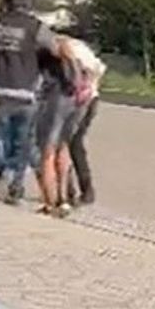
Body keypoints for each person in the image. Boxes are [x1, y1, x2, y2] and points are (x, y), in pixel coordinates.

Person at [0, 0, 68, 205]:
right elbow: (56, 49)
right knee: (21, 145)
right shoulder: (36, 28)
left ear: (5, 2)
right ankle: (13, 182)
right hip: (25, 92)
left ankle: (6, 175)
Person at [34, 44, 81, 217]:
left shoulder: (45, 52)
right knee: (62, 148)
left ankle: (50, 203)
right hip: (71, 102)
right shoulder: (71, 57)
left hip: (52, 104)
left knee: (47, 154)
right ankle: (64, 199)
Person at [64, 36, 107, 206]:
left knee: (65, 145)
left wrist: (83, 85)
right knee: (74, 144)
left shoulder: (69, 48)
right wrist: (92, 86)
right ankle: (83, 190)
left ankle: (71, 191)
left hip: (78, 101)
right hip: (90, 99)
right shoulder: (81, 48)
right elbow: (100, 68)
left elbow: (92, 69)